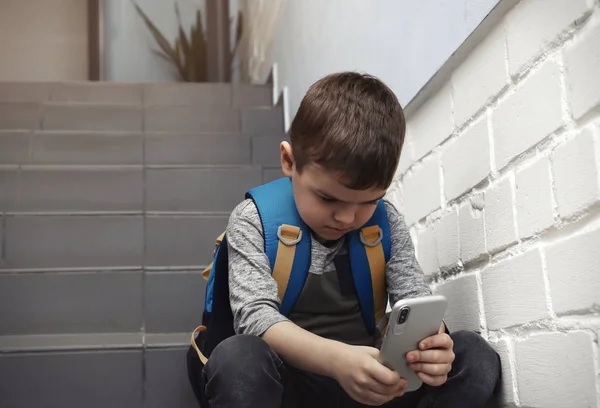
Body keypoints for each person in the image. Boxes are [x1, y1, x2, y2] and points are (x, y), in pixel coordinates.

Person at [196, 72, 501, 407]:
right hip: (288, 386)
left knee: (475, 356)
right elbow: (255, 319)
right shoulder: (253, 220)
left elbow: (414, 304)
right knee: (237, 357)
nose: (347, 218)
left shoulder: (386, 223)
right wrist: (339, 361)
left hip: (370, 382)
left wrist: (434, 346)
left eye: (369, 201)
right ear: (289, 161)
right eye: (328, 199)